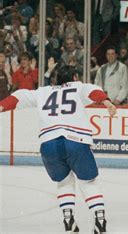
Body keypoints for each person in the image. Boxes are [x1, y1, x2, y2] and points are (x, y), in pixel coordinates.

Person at [0, 65, 116, 234]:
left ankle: (68, 221)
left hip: (49, 143)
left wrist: (1, 107)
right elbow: (94, 92)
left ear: (55, 79)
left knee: (64, 181)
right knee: (88, 182)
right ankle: (99, 220)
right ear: (75, 77)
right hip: (76, 140)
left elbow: (19, 96)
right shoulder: (78, 87)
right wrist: (107, 102)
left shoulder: (42, 91)